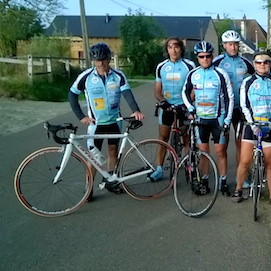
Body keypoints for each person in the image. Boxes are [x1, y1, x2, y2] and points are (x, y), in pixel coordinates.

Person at [68, 42, 145, 198]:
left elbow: (127, 93)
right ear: (93, 61)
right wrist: (81, 117)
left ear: (109, 58)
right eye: (97, 60)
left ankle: (111, 181)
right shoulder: (86, 77)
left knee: (113, 152)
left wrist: (135, 110)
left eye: (103, 59)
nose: (101, 63)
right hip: (95, 125)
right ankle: (88, 189)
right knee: (94, 157)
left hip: (114, 122)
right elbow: (72, 95)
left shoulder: (118, 76)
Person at [231, 50, 271, 208]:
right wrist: (253, 125)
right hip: (251, 126)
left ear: (270, 64)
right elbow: (244, 105)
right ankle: (238, 189)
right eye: (259, 62)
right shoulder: (247, 82)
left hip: (270, 126)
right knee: (245, 160)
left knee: (270, 163)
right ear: (254, 64)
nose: (263, 65)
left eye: (266, 62)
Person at [183, 41, 234, 196]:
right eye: (201, 56)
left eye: (208, 56)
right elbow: (184, 93)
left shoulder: (220, 74)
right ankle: (204, 180)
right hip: (201, 119)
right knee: (203, 152)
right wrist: (190, 108)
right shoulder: (193, 74)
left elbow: (230, 98)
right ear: (197, 57)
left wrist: (227, 120)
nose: (205, 59)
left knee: (220, 152)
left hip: (218, 118)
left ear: (212, 56)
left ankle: (223, 181)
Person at [212, 30, 254, 186]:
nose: (233, 47)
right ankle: (222, 178)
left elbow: (256, 76)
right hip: (223, 108)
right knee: (222, 145)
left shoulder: (245, 62)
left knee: (240, 144)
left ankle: (240, 177)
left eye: (236, 44)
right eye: (230, 44)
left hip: (240, 109)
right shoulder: (217, 61)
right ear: (224, 46)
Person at [150, 37, 196, 181]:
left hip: (183, 107)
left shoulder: (189, 65)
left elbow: (194, 88)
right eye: (170, 47)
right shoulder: (161, 67)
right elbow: (157, 90)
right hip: (167, 107)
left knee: (186, 139)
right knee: (163, 138)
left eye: (176, 47)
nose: (173, 50)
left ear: (181, 49)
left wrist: (187, 103)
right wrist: (162, 102)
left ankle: (190, 166)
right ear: (167, 50)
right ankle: (159, 169)